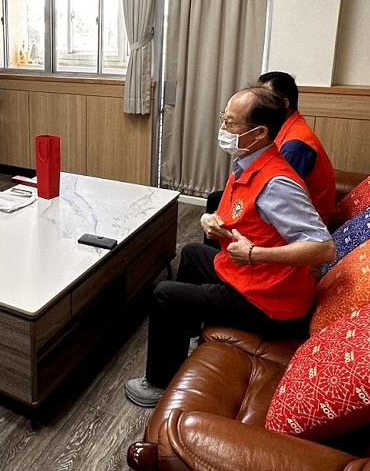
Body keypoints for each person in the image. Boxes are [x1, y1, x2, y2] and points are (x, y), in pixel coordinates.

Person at [125, 87, 336, 408]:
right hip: (253, 279)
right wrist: (213, 221)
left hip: (271, 303)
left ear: (259, 133)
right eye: (223, 119)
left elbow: (323, 247)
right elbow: (246, 217)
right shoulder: (251, 162)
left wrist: (254, 254)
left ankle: (159, 382)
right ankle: (187, 332)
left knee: (165, 294)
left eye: (231, 123)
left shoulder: (277, 182)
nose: (223, 128)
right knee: (192, 254)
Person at [206, 71, 336, 228]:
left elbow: (276, 195)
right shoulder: (283, 129)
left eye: (266, 96)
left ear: (284, 104)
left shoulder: (295, 146)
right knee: (216, 202)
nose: (260, 100)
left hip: (304, 220)